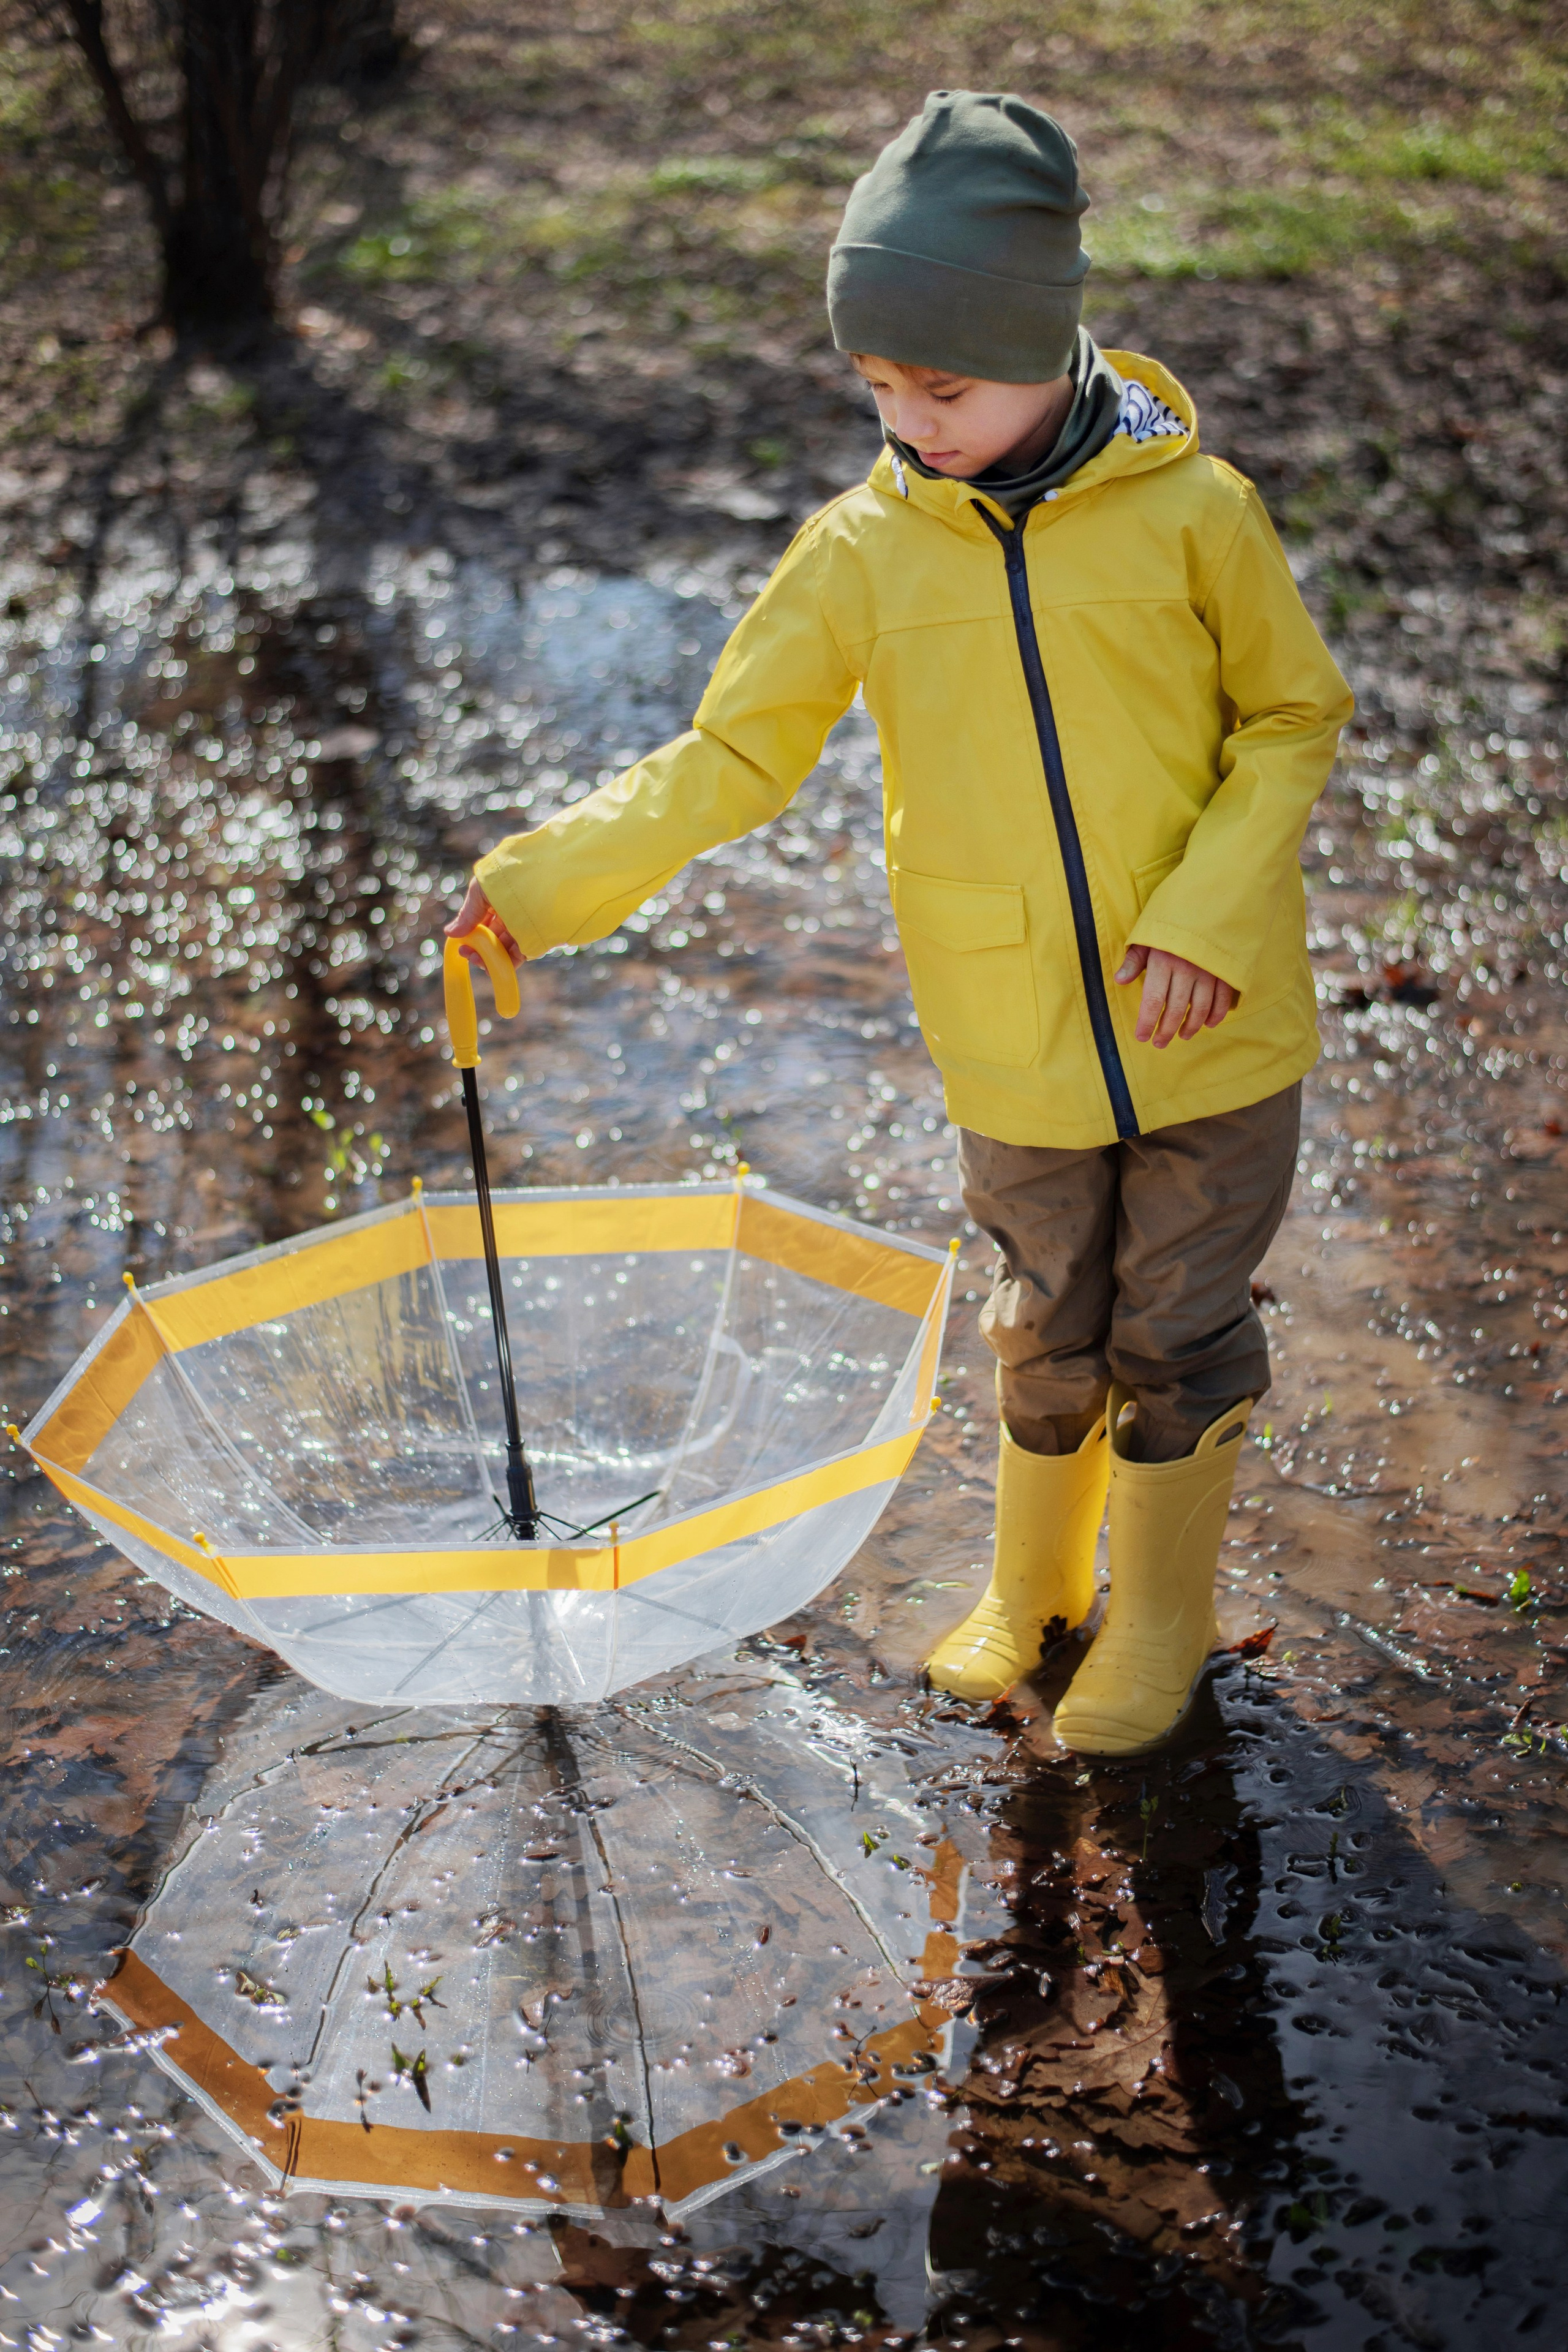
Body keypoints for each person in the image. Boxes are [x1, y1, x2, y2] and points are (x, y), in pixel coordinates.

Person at [447, 90, 1352, 1756]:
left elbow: (1294, 720)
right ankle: (1038, 1585)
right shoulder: (861, 554)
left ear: (1047, 344)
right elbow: (734, 754)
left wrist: (1213, 914)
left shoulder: (1197, 516)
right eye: (879, 389)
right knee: (1041, 1316)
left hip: (1208, 1024)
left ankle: (1156, 1621)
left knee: (1178, 1326)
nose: (911, 421)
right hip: (1007, 1030)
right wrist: (536, 879)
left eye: (946, 385)